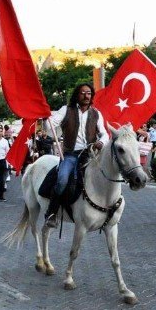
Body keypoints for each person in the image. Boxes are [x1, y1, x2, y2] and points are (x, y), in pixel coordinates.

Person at [43, 83, 108, 227]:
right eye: (83, 93)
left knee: (108, 176)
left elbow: (104, 133)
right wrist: (47, 119)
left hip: (91, 155)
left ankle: (108, 212)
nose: (86, 96)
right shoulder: (66, 110)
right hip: (70, 155)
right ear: (77, 95)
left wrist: (102, 142)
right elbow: (50, 127)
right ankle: (51, 213)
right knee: (62, 180)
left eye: (89, 93)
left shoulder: (96, 113)